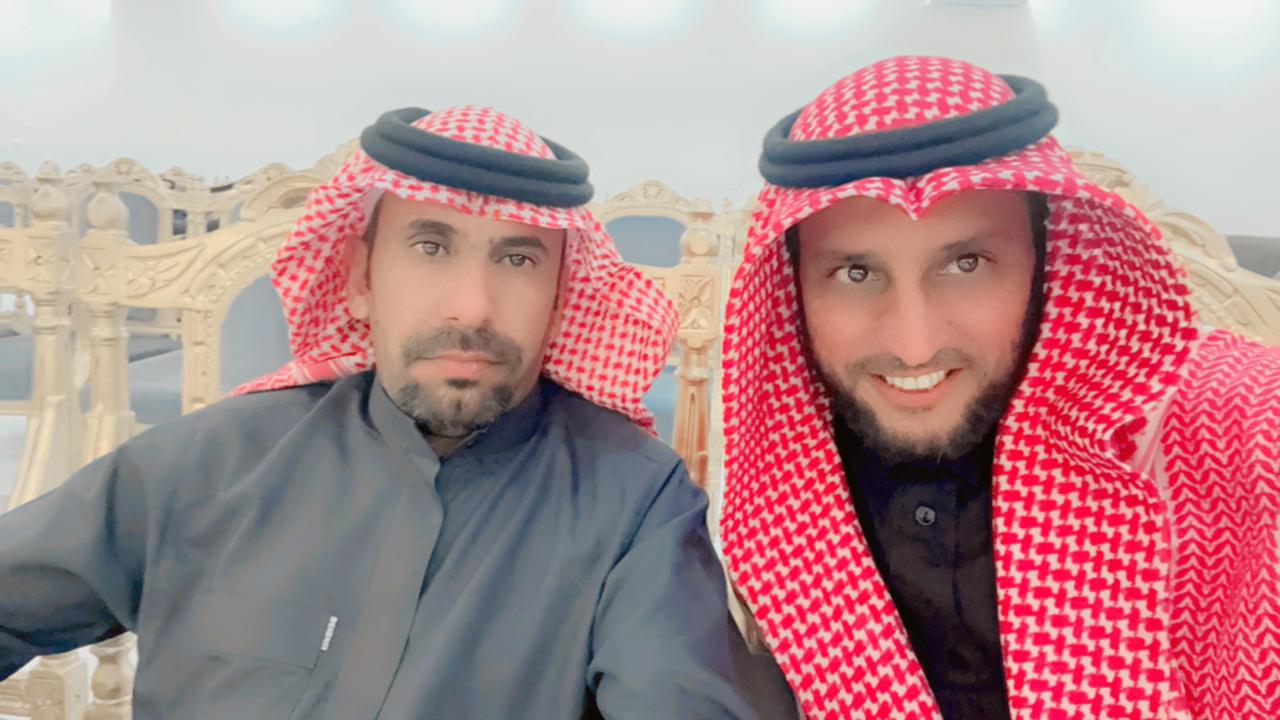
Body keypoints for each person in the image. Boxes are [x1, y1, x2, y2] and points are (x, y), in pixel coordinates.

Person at [0, 105, 796, 719]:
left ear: (561, 295)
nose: (472, 307)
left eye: (518, 258)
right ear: (359, 278)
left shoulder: (633, 502)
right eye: (430, 246)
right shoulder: (209, 463)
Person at [719, 55, 1280, 719]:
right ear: (793, 290)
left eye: (966, 263)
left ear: (1045, 260)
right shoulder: (786, 472)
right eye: (856, 274)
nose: (914, 345)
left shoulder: (1226, 422)